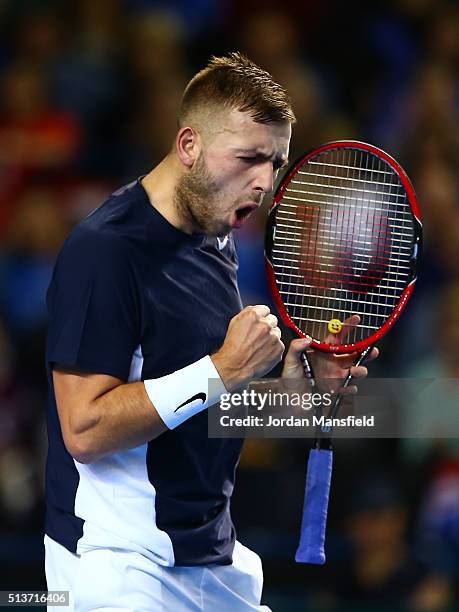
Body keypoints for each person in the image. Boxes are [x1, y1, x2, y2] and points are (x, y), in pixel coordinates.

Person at [44, 52, 375, 611]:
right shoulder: (105, 251)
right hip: (116, 565)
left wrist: (286, 402)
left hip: (213, 560)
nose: (266, 182)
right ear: (189, 146)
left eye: (275, 162)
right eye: (248, 158)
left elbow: (199, 408)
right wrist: (224, 368)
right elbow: (85, 427)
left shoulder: (216, 238)